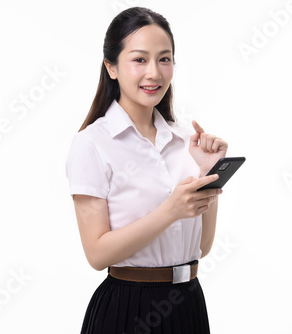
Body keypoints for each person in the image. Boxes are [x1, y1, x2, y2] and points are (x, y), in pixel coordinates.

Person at [66, 6, 228, 333]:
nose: (154, 72)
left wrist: (209, 176)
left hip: (189, 302)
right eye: (139, 59)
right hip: (127, 308)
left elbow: (202, 247)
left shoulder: (187, 141)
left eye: (164, 59)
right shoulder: (92, 144)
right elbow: (97, 254)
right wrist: (169, 211)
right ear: (111, 67)